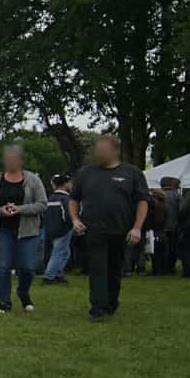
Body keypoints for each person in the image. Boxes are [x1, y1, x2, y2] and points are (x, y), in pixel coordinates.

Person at [69, 134, 150, 322]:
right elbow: (74, 198)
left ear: (116, 151)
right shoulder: (85, 173)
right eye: (97, 149)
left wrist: (137, 228)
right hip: (94, 230)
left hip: (121, 231)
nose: (99, 153)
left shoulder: (132, 173)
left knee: (114, 270)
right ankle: (98, 308)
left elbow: (142, 201)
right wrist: (75, 219)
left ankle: (111, 302)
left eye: (103, 149)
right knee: (97, 268)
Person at [0, 143, 46, 312]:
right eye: (7, 159)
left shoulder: (33, 180)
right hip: (3, 230)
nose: (10, 162)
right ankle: (4, 301)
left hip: (28, 231)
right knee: (3, 266)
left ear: (21, 160)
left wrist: (21, 209)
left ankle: (23, 292)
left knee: (27, 267)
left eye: (13, 159)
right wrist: (0, 211)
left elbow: (42, 204)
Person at [41, 173, 73, 285]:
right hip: (63, 230)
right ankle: (49, 276)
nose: (71, 185)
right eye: (69, 183)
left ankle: (58, 273)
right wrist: (72, 225)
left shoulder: (50, 198)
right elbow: (68, 216)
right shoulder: (66, 199)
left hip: (50, 230)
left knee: (64, 253)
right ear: (65, 184)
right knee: (58, 253)